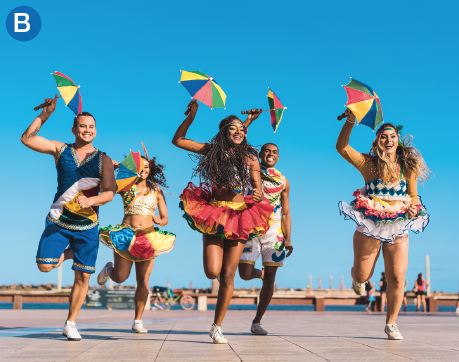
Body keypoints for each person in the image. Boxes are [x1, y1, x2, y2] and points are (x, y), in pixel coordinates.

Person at [172, 100, 273, 344]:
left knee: (228, 275)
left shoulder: (251, 157)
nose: (238, 131)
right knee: (212, 271)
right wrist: (192, 116)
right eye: (232, 128)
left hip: (241, 215)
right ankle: (219, 288)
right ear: (224, 132)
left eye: (241, 128)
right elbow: (178, 140)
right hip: (215, 214)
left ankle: (217, 326)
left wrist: (258, 193)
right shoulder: (211, 151)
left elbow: (257, 187)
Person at [21, 96, 116, 341]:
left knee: (83, 276)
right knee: (45, 266)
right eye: (82, 126)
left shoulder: (104, 159)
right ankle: (72, 252)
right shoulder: (60, 150)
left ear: (96, 131)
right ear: (74, 129)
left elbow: (109, 193)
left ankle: (70, 323)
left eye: (91, 126)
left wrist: (92, 201)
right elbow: (27, 139)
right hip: (59, 221)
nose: (87, 130)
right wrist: (46, 114)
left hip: (88, 226)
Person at [336, 108, 431, 340]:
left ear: (398, 140)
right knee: (363, 273)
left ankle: (391, 323)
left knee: (397, 276)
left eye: (392, 136)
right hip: (370, 221)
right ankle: (357, 278)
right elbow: (342, 147)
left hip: (398, 223)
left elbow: (414, 195)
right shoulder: (367, 163)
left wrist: (414, 207)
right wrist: (350, 121)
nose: (388, 140)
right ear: (377, 141)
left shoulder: (407, 166)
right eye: (383, 136)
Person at [96, 146, 175, 333]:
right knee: (121, 277)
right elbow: (103, 189)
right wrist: (111, 172)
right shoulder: (125, 187)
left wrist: (159, 220)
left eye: (147, 167)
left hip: (148, 237)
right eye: (141, 167)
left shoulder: (156, 190)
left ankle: (138, 320)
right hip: (126, 235)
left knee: (143, 280)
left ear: (151, 169)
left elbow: (165, 218)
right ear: (134, 169)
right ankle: (108, 269)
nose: (144, 170)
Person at [238, 141, 293, 335]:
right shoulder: (249, 171)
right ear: (260, 154)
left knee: (271, 280)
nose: (271, 154)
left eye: (275, 152)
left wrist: (288, 238)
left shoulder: (283, 181)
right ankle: (261, 274)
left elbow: (286, 213)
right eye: (267, 151)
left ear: (278, 157)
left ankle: (257, 321)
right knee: (244, 273)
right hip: (251, 228)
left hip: (274, 232)